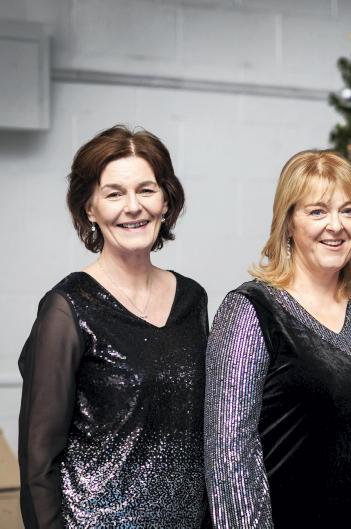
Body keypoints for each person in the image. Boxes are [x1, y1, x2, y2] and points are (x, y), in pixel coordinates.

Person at [18, 125, 210, 528]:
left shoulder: (193, 300)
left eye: (146, 190)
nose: (133, 207)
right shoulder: (67, 308)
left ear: (165, 201)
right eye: (114, 194)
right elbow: (38, 463)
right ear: (90, 208)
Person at [204, 149, 351, 528]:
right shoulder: (250, 309)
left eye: (349, 211)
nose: (336, 226)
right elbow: (229, 457)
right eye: (317, 212)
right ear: (288, 223)